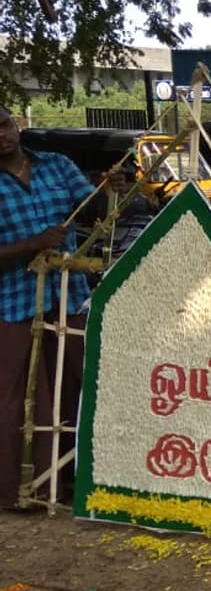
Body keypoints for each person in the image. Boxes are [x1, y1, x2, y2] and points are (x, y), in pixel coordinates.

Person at [0, 103, 100, 514]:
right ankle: (18, 490)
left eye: (4, 125)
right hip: (14, 303)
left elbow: (93, 209)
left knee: (78, 384)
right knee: (16, 398)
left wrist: (108, 190)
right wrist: (32, 244)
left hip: (68, 295)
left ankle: (72, 481)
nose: (1, 135)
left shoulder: (56, 164)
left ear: (16, 125)